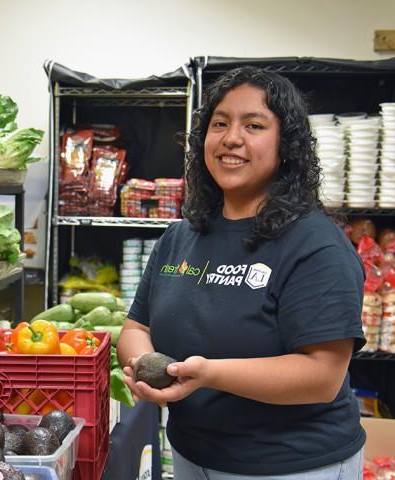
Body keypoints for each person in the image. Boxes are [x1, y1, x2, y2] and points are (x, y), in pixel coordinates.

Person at [117, 66, 366, 479]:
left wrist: (209, 374)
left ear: (286, 144)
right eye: (220, 124)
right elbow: (135, 325)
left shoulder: (315, 244)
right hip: (192, 455)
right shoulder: (181, 236)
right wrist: (144, 363)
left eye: (254, 125)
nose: (232, 138)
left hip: (291, 465)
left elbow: (322, 375)